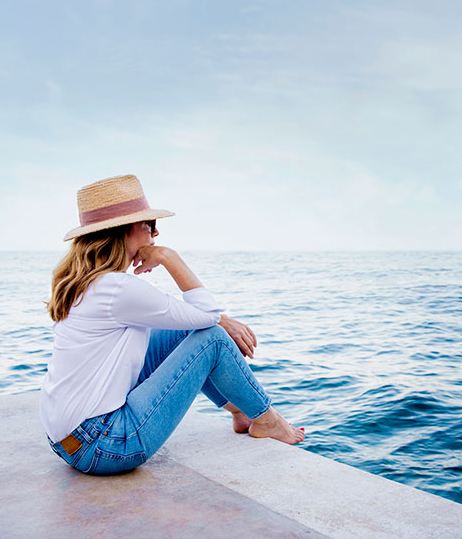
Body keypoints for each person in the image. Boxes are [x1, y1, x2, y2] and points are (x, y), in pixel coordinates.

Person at [40, 174, 304, 475]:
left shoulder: (86, 282)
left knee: (181, 332)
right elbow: (208, 316)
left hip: (69, 439)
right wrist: (168, 257)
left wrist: (219, 319)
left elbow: (189, 317)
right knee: (213, 339)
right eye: (149, 224)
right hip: (105, 445)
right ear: (126, 230)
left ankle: (240, 410)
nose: (156, 232)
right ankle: (268, 420)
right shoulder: (117, 288)